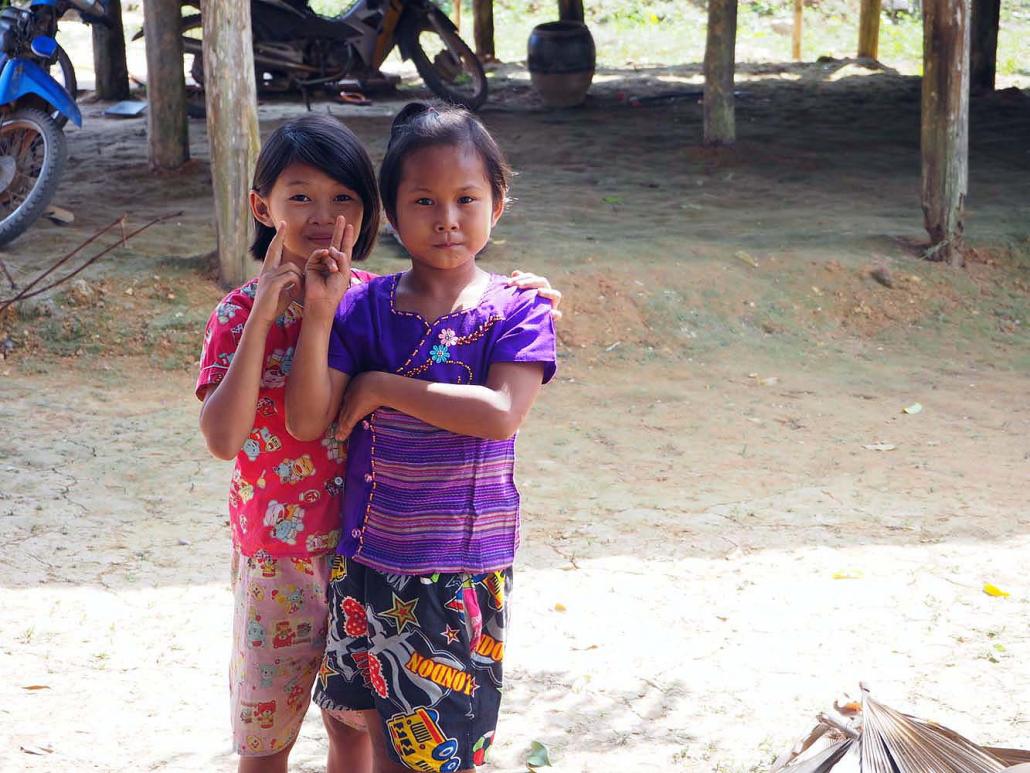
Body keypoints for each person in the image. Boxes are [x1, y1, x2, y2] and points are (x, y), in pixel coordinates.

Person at [196, 113, 561, 773]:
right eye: (300, 195)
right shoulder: (245, 314)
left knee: (357, 733)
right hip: (277, 560)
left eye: (343, 199)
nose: (320, 213)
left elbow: (497, 385)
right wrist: (267, 313)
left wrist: (522, 292)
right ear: (263, 206)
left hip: (361, 555)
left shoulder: (365, 303)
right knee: (264, 735)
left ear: (369, 215)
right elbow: (226, 437)